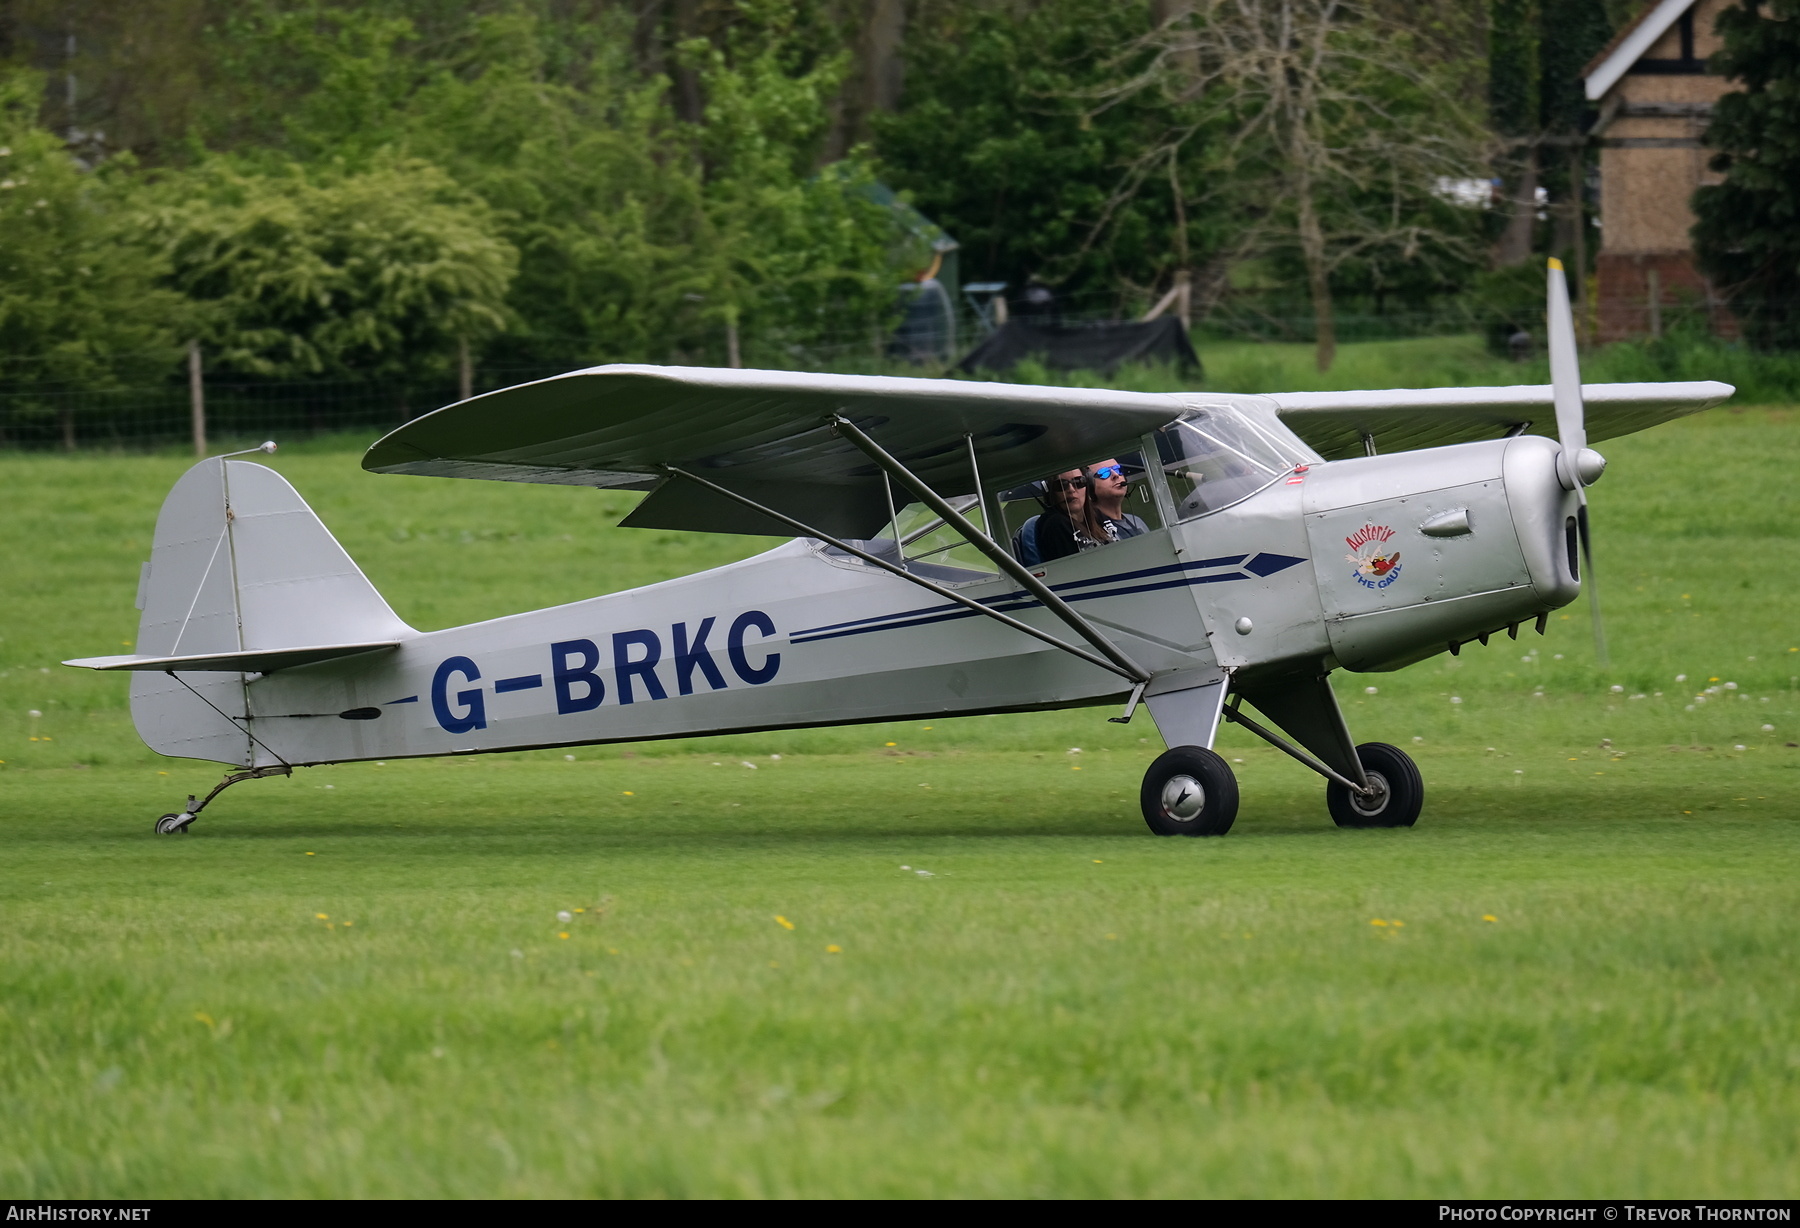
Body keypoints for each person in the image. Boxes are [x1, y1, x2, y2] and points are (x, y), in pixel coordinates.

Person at [1015, 470, 1088, 564]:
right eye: (1061, 485)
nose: (1071, 489)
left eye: (1078, 482)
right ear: (1049, 490)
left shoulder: (1097, 518)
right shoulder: (1055, 524)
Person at [1085, 458, 1150, 543]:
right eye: (1104, 473)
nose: (1116, 475)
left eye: (1117, 469)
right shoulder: (1089, 529)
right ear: (1090, 486)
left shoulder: (1137, 522)